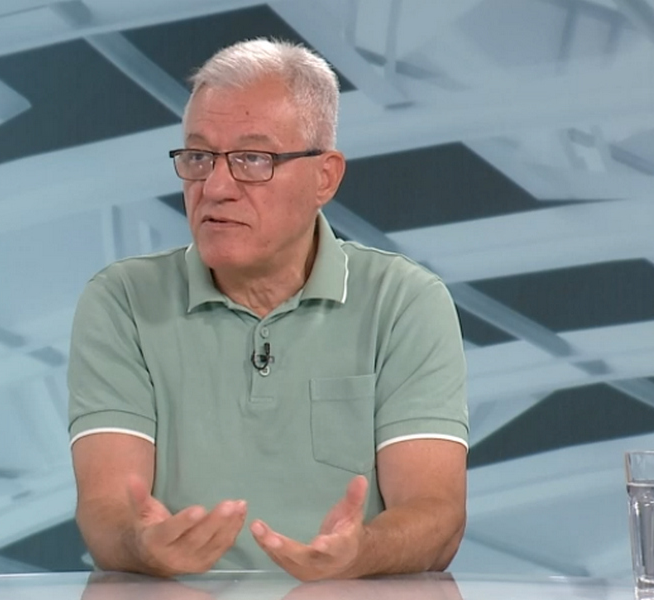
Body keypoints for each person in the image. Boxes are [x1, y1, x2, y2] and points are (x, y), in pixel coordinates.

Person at [67, 38, 468, 581]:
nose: (215, 187)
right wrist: (141, 546)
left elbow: (436, 513)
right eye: (198, 157)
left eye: (252, 159)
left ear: (325, 177)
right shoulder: (123, 301)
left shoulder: (404, 302)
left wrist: (360, 553)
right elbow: (105, 508)